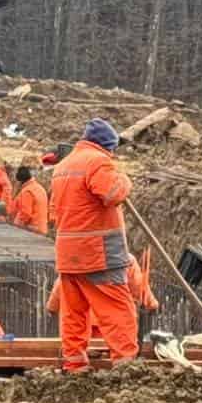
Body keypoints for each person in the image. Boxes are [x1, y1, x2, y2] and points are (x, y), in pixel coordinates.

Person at [50, 118, 138, 373]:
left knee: (74, 312)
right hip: (97, 252)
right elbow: (113, 193)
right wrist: (123, 179)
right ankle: (125, 365)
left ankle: (74, 362)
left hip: (68, 253)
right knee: (117, 309)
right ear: (107, 145)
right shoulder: (97, 161)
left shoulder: (63, 166)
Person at [10, 166, 48, 234]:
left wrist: (15, 228)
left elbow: (25, 214)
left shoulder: (27, 192)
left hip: (32, 230)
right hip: (41, 229)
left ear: (20, 181)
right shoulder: (39, 187)